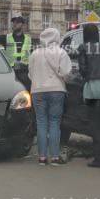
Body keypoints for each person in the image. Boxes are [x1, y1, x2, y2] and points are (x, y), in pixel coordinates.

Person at [29, 27, 72, 166]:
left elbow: (30, 74)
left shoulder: (35, 53)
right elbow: (66, 73)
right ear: (57, 37)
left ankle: (42, 157)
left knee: (41, 122)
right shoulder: (61, 52)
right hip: (56, 91)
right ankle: (54, 157)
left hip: (37, 91)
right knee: (54, 122)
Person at [76, 23, 100, 168]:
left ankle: (99, 159)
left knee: (95, 124)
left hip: (93, 88)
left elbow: (83, 69)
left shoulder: (83, 48)